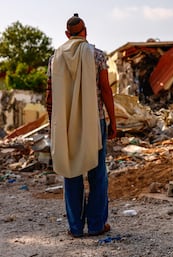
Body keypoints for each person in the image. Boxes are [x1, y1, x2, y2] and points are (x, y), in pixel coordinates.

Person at [45, 13, 117, 238]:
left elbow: (50, 96)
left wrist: (53, 124)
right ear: (85, 31)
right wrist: (113, 120)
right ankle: (96, 225)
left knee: (71, 171)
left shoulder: (55, 58)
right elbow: (106, 90)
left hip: (66, 123)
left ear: (67, 34)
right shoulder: (96, 55)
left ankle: (75, 227)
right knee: (97, 173)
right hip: (94, 121)